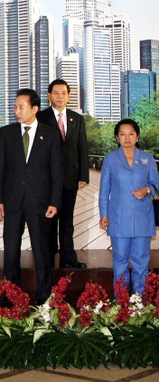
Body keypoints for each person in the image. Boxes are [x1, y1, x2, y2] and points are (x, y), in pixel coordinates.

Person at [0, 88, 62, 304]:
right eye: (15, 107)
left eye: (21, 107)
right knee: (11, 250)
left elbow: (57, 172)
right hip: (12, 201)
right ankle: (10, 297)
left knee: (42, 251)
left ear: (34, 108)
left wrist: (54, 201)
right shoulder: (7, 133)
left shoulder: (50, 134)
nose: (16, 111)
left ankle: (44, 297)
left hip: (40, 202)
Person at [98, 119, 159, 295]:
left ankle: (141, 305)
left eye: (131, 134)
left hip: (142, 218)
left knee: (141, 263)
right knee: (120, 262)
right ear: (117, 137)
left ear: (137, 136)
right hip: (118, 218)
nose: (127, 138)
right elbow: (104, 190)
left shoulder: (147, 158)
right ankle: (122, 304)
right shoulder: (110, 159)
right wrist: (104, 214)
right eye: (122, 134)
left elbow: (156, 185)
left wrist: (147, 189)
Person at [37, 79, 89, 269]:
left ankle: (68, 258)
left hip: (69, 179)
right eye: (56, 93)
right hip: (47, 180)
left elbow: (82, 148)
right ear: (49, 96)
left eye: (64, 93)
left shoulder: (77, 119)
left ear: (69, 96)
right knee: (49, 220)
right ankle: (48, 257)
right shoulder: (40, 118)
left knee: (67, 221)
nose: (60, 97)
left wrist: (83, 175)